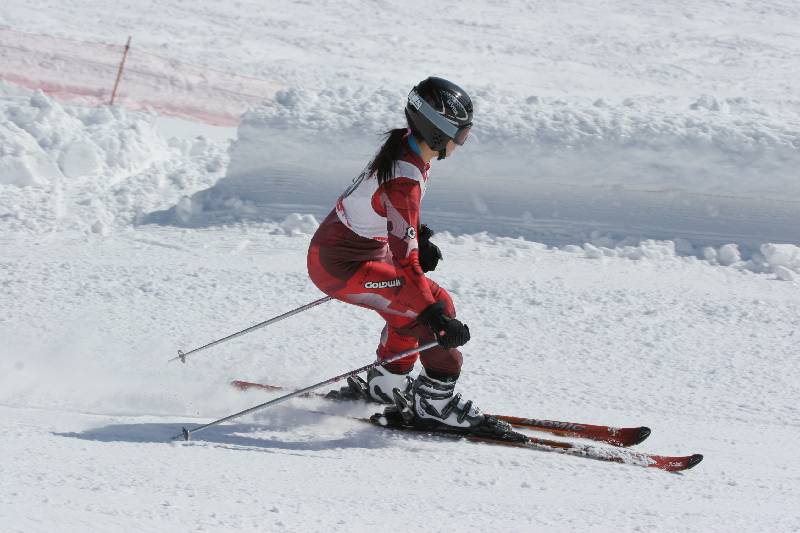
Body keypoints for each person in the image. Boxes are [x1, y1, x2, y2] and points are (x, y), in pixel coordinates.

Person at [307, 77, 506, 435]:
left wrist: (416, 235)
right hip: (339, 265)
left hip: (357, 251)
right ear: (437, 132)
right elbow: (406, 263)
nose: (461, 143)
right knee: (432, 308)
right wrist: (435, 317)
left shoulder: (407, 147)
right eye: (460, 134)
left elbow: (384, 208)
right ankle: (435, 404)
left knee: (416, 306)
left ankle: (388, 382)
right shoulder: (404, 178)